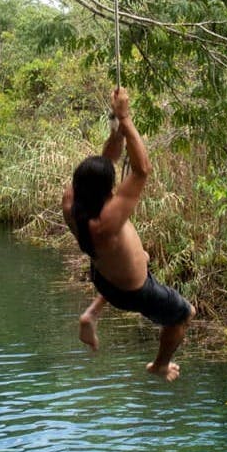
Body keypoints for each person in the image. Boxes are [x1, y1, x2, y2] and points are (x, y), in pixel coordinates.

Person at [62, 87, 195, 381]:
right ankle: (160, 365)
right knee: (185, 315)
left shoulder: (72, 201)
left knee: (141, 257)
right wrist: (126, 117)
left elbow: (105, 160)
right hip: (134, 292)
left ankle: (92, 314)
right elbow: (142, 170)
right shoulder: (107, 221)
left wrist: (116, 126)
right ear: (108, 189)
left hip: (103, 276)